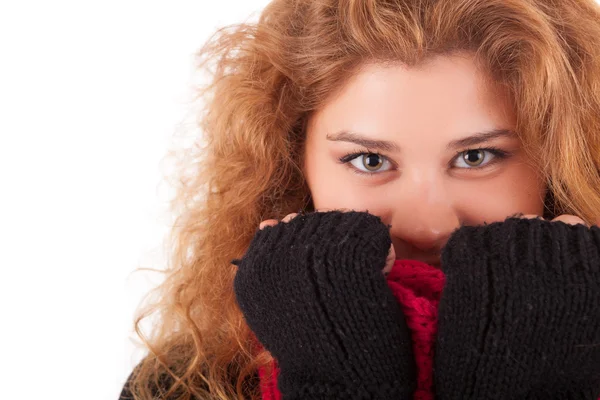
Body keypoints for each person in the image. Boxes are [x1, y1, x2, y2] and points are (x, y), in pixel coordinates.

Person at [120, 0, 600, 399]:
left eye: (476, 157)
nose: (428, 223)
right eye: (370, 160)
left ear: (558, 158)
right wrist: (330, 369)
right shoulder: (184, 382)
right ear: (291, 163)